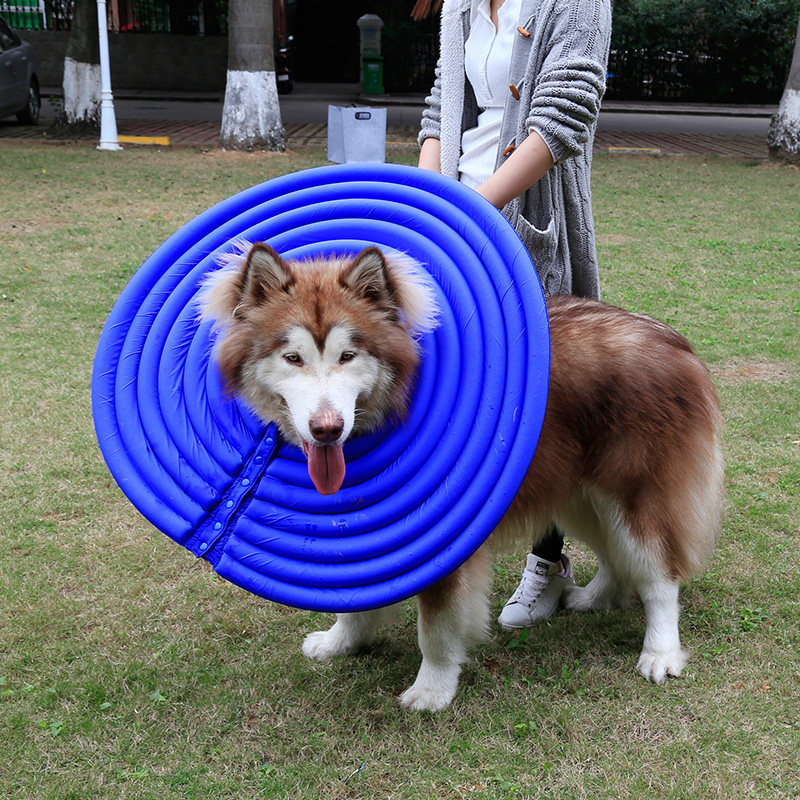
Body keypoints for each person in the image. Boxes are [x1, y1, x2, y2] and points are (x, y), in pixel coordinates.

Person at [412, 0, 612, 628]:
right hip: (457, 217)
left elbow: (565, 115)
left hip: (525, 219)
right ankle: (446, 549)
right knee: (460, 391)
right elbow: (441, 103)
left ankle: (548, 564)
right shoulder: (460, 6)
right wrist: (432, 202)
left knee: (539, 396)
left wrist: (477, 210)